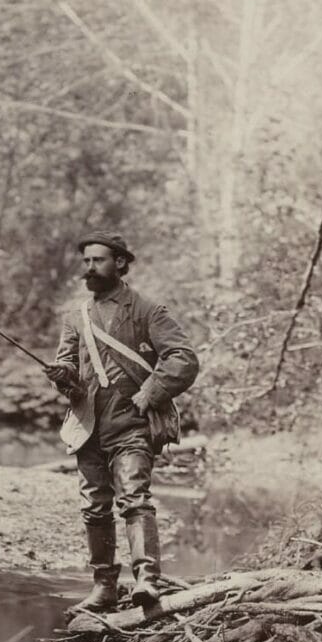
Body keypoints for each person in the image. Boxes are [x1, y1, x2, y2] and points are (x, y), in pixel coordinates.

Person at [45, 232, 199, 612]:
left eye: (98, 260)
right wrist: (63, 375)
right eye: (86, 262)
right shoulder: (75, 317)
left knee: (134, 498)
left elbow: (183, 358)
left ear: (120, 263)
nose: (90, 269)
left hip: (132, 425)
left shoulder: (148, 310)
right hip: (88, 427)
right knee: (95, 508)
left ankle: (147, 580)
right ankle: (104, 587)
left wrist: (150, 393)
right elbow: (71, 368)